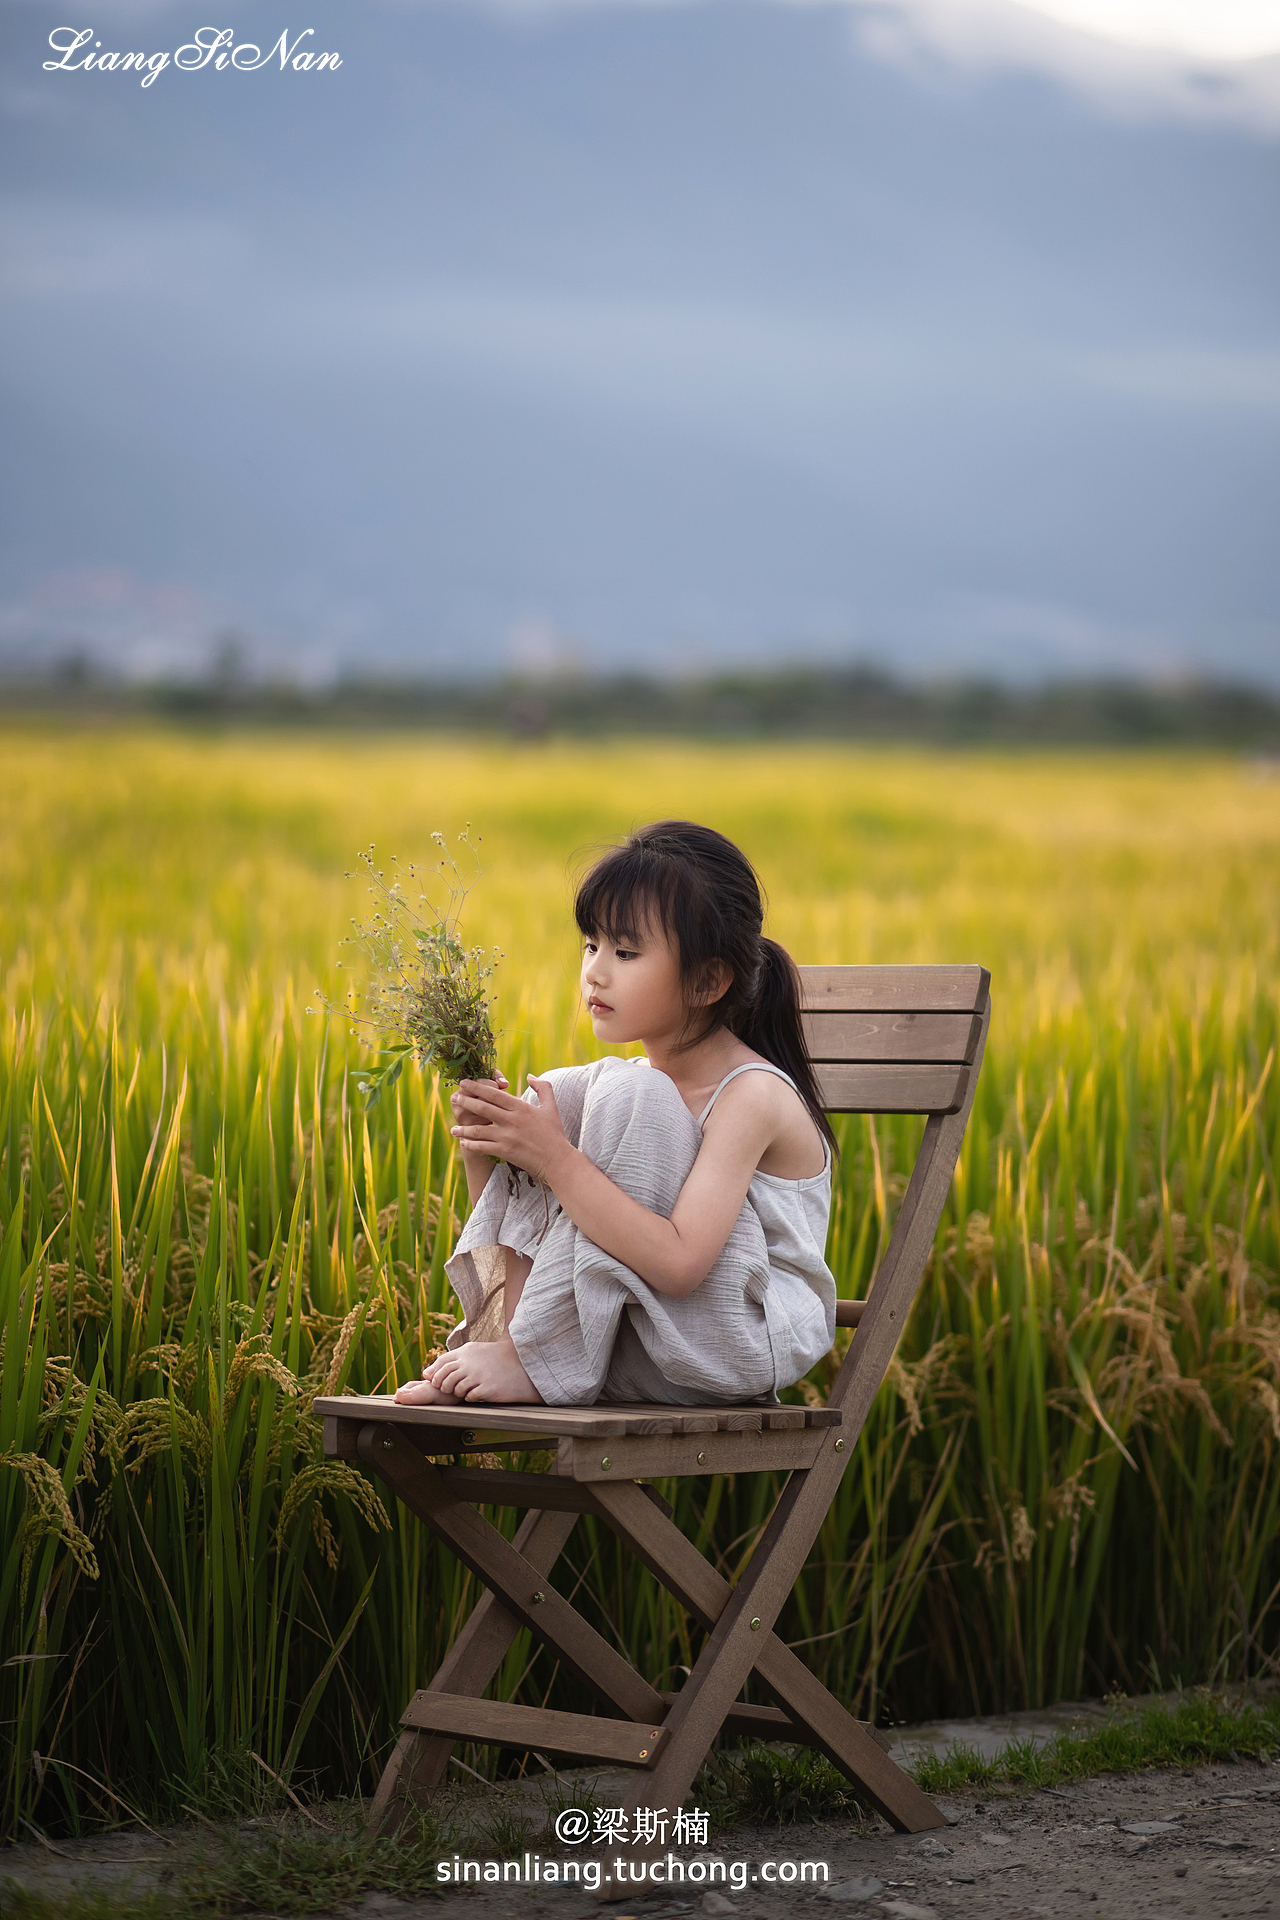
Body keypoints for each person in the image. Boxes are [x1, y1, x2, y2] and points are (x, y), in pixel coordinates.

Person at [394, 820, 839, 1408]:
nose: (595, 971)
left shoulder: (751, 1095)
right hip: (635, 1333)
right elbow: (544, 1223)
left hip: (731, 1340)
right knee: (562, 1090)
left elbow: (680, 1265)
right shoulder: (625, 1093)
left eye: (626, 952)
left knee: (621, 1093)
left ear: (708, 980)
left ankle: (533, 1359)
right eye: (591, 945)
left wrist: (552, 1156)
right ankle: (510, 1342)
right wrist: (489, 1149)